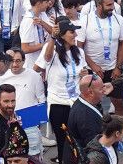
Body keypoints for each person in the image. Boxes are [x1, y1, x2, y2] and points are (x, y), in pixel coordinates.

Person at [36, 15, 86, 164]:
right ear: (63, 35)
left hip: (76, 101)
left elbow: (82, 74)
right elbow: (47, 57)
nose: (75, 35)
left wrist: (85, 75)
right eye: (72, 32)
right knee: (62, 139)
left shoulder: (79, 52)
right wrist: (52, 37)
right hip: (58, 102)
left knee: (76, 137)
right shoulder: (52, 50)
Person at [0, 46, 47, 160]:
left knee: (33, 157)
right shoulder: (1, 78)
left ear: (24, 61)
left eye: (18, 61)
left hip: (30, 124)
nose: (15, 64)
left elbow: (41, 99)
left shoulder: (34, 76)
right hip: (8, 124)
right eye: (12, 61)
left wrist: (39, 121)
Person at [68, 73, 112, 158]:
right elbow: (95, 146)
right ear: (90, 92)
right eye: (101, 89)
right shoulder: (85, 116)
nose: (104, 91)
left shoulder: (83, 103)